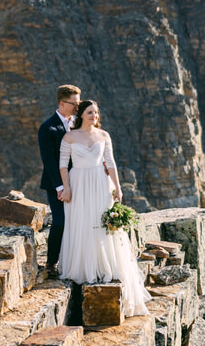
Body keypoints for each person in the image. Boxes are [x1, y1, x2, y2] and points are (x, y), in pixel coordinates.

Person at [56, 99, 149, 316]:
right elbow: (62, 165)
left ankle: (105, 266)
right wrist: (66, 189)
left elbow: (111, 163)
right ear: (81, 115)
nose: (94, 116)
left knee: (102, 223)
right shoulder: (69, 137)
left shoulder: (104, 136)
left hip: (100, 183)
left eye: (96, 113)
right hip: (78, 183)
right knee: (81, 222)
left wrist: (117, 188)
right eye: (90, 112)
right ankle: (83, 267)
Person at [37, 84, 81, 277]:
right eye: (75, 104)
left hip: (80, 181)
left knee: (79, 221)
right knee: (60, 222)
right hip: (57, 184)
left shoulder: (80, 123)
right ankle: (51, 262)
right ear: (63, 103)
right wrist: (60, 186)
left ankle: (73, 260)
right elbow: (48, 160)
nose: (78, 108)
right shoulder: (47, 127)